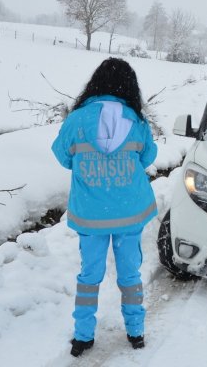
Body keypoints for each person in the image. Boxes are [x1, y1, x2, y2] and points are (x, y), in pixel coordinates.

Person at [51, 58, 158, 357]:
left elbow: (63, 156)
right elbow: (148, 156)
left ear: (95, 83)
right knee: (129, 274)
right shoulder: (136, 121)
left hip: (91, 214)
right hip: (129, 211)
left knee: (89, 276)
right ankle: (136, 332)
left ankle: (83, 336)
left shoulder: (77, 120)